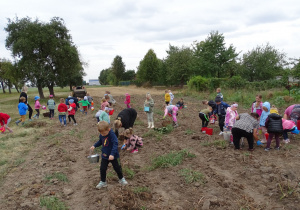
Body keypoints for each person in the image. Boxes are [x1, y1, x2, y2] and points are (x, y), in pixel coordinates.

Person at [90, 121, 128, 189]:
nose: (103, 134)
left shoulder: (112, 135)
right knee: (102, 169)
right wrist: (94, 146)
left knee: (117, 168)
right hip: (105, 155)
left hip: (114, 155)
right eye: (101, 133)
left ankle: (121, 179)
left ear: (108, 129)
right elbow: (100, 141)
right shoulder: (102, 135)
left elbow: (115, 144)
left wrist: (112, 154)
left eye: (104, 133)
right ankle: (103, 181)